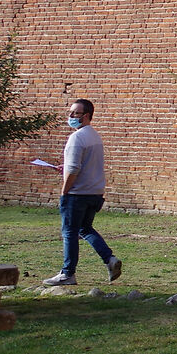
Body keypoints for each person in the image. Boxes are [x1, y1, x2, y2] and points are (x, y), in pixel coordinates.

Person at [44, 98, 122, 287]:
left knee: (69, 232)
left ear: (86, 116)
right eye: (70, 112)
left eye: (75, 113)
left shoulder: (77, 138)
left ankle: (67, 273)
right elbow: (85, 164)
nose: (70, 116)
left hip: (77, 194)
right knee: (85, 229)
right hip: (95, 192)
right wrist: (66, 168)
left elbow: (74, 169)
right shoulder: (94, 136)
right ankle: (110, 259)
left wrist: (64, 191)